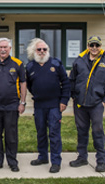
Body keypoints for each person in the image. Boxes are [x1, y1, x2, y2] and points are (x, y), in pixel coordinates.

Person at [69, 35, 105, 172]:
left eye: (97, 45)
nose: (94, 48)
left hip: (96, 103)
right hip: (80, 104)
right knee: (81, 131)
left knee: (97, 131)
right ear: (88, 46)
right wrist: (74, 96)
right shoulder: (79, 60)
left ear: (100, 46)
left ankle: (101, 160)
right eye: (91, 45)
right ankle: (82, 157)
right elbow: (72, 79)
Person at [25, 38, 70, 173]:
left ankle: (56, 161)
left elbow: (66, 83)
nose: (42, 52)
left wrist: (64, 101)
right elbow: (30, 86)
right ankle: (43, 157)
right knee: (41, 133)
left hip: (54, 105)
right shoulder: (30, 67)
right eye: (39, 49)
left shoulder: (56, 64)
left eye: (45, 49)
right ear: (34, 51)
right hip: (39, 105)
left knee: (54, 133)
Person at [0, 37, 27, 172]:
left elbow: (23, 83)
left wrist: (22, 102)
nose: (3, 49)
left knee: (11, 136)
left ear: (10, 49)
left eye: (5, 47)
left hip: (12, 106)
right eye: (0, 47)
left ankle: (12, 162)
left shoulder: (18, 64)